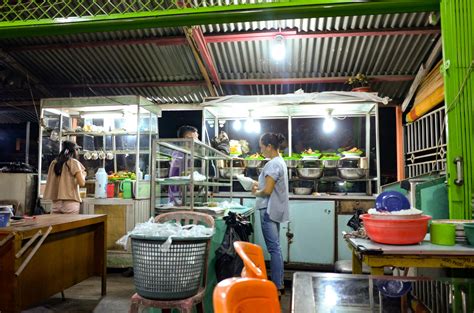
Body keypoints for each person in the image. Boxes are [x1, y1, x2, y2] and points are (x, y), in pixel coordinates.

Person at [251, 132, 289, 293]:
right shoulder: (280, 162)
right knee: (276, 247)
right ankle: (278, 283)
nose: (261, 151)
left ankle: (276, 285)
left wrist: (255, 192)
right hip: (274, 209)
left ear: (269, 146)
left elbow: (267, 190)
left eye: (262, 147)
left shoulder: (273, 164)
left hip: (268, 210)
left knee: (274, 249)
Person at [43, 140, 86, 214]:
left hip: (56, 203)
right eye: (77, 149)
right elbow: (81, 183)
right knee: (71, 226)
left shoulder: (54, 163)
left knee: (56, 225)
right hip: (70, 203)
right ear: (74, 150)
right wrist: (84, 175)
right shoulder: (73, 162)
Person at [168, 125, 199, 205]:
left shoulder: (187, 154)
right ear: (187, 138)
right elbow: (178, 176)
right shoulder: (179, 154)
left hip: (183, 196)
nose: (197, 142)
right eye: (195, 139)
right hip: (176, 198)